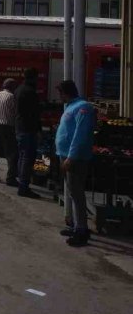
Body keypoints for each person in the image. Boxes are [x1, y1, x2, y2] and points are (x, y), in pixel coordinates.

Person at [55, 80, 96, 247]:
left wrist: (71, 157)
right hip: (64, 155)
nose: (59, 97)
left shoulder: (83, 107)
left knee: (77, 193)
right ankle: (77, 225)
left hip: (75, 158)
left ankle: (82, 230)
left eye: (60, 93)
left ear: (66, 92)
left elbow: (80, 134)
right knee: (72, 192)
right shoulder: (70, 106)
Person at [14, 68, 42, 199]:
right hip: (28, 129)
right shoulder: (30, 92)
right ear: (34, 77)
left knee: (22, 156)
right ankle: (24, 187)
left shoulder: (19, 89)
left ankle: (22, 184)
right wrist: (38, 130)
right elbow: (35, 113)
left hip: (20, 127)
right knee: (27, 158)